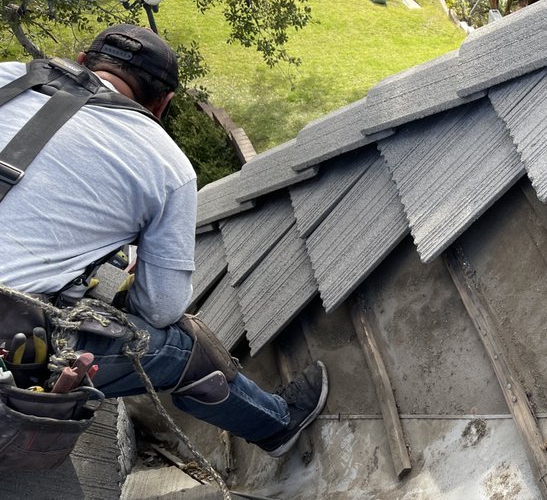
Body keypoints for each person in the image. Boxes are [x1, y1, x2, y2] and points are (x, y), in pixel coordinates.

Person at [0, 24, 327, 458]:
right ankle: (276, 425)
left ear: (82, 61)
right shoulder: (166, 164)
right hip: (8, 340)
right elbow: (160, 307)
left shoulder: (7, 76)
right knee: (183, 348)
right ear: (163, 104)